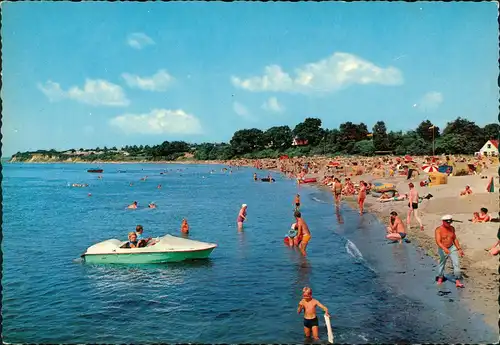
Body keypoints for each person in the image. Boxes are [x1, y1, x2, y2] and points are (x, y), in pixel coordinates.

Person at [435, 215, 465, 288]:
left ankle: (457, 281)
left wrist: (459, 248)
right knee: (442, 263)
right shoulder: (438, 230)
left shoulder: (452, 228)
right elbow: (438, 241)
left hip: (452, 247)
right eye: (447, 223)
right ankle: (440, 277)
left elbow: (454, 239)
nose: (449, 224)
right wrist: (444, 248)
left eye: (450, 222)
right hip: (442, 248)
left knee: (456, 264)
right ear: (443, 222)